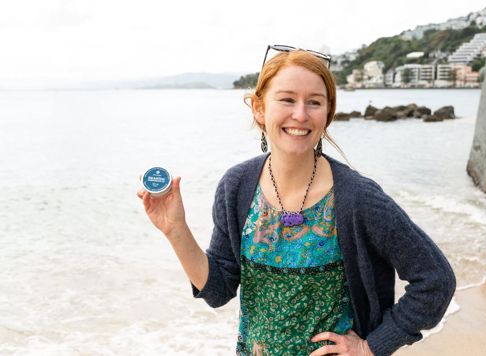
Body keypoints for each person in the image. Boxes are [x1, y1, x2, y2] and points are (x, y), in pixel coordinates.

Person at [137, 45, 456, 356]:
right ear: (259, 109)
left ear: (327, 113)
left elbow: (435, 280)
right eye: (287, 100)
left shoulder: (358, 198)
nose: (300, 114)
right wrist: (175, 229)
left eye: (314, 102)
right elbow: (219, 291)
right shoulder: (236, 187)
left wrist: (372, 347)